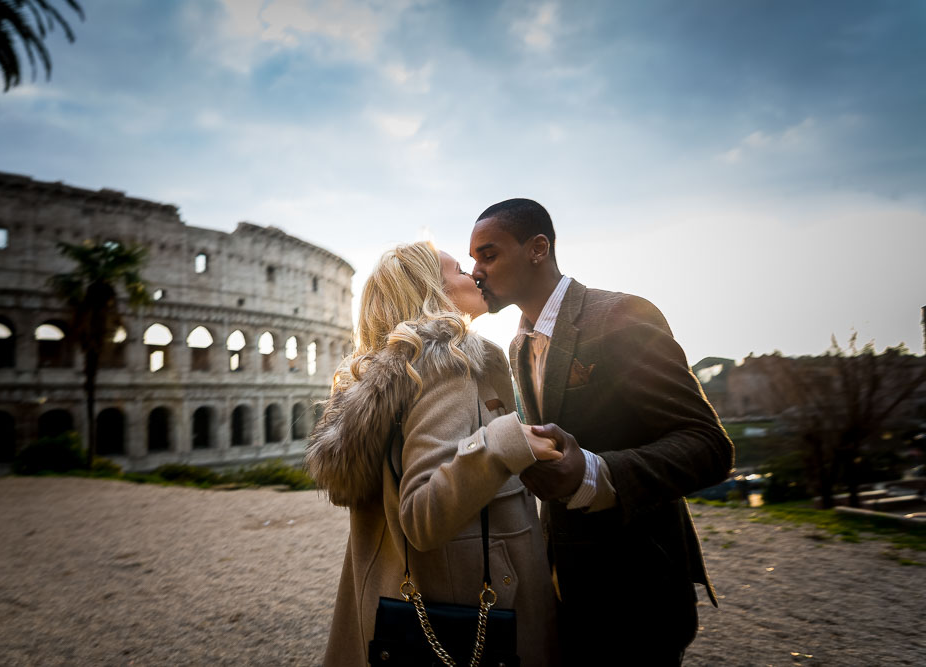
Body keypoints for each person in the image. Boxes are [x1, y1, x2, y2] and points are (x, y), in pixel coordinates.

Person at [469, 199, 735, 665]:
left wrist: (593, 472)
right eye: (472, 259)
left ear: (537, 249)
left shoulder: (621, 316)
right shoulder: (516, 344)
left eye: (488, 255)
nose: (476, 272)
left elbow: (708, 446)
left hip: (639, 593)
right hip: (566, 591)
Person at [305, 241, 560, 667]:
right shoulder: (447, 366)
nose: (475, 273)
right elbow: (421, 515)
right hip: (469, 609)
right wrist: (502, 443)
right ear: (431, 290)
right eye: (461, 269)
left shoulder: (394, 375)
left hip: (401, 601)